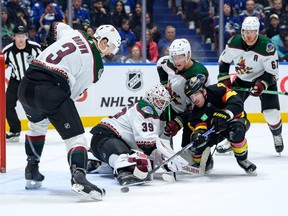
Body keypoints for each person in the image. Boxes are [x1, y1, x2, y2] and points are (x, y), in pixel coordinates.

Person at [17, 22, 121, 200]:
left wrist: (48, 45)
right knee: (76, 136)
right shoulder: (96, 66)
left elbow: (56, 26)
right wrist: (59, 109)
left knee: (37, 125)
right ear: (103, 42)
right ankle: (79, 177)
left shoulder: (76, 33)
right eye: (111, 47)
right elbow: (69, 95)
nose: (110, 53)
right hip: (50, 89)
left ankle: (32, 170)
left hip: (26, 84)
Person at [89, 84, 185, 186]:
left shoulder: (157, 116)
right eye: (158, 101)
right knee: (130, 160)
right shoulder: (146, 109)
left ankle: (99, 163)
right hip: (105, 138)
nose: (160, 105)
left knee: (143, 160)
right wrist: (164, 160)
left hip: (108, 143)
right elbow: (147, 144)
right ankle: (123, 172)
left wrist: (164, 160)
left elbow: (155, 146)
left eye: (163, 102)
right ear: (150, 98)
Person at [216, 16, 284, 154]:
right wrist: (224, 79)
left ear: (257, 32)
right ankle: (232, 138)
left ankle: (277, 134)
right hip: (242, 80)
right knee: (230, 110)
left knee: (271, 114)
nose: (249, 35)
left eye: (252, 32)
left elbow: (273, 74)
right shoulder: (233, 42)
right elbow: (224, 61)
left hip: (263, 80)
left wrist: (261, 85)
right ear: (242, 31)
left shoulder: (267, 46)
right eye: (246, 32)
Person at [182, 77, 257, 175]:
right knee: (196, 145)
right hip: (214, 132)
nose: (194, 99)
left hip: (233, 122)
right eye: (191, 96)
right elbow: (199, 127)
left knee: (236, 131)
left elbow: (236, 100)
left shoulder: (217, 89)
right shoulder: (193, 112)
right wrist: (198, 135)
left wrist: (225, 114)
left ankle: (242, 159)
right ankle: (207, 162)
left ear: (204, 91)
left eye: (196, 94)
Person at [157, 38, 209, 147]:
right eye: (174, 57)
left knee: (190, 150)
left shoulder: (198, 73)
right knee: (162, 135)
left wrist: (178, 121)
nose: (176, 61)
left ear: (188, 54)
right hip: (174, 107)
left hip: (194, 112)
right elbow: (160, 64)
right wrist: (165, 84)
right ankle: (166, 152)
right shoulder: (168, 63)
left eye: (180, 57)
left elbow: (196, 104)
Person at [3, 25, 42, 142]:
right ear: (13, 37)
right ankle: (15, 130)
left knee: (40, 104)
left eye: (23, 36)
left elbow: (44, 62)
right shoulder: (8, 50)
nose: (21, 39)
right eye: (18, 36)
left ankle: (41, 127)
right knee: (7, 104)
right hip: (16, 80)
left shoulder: (35, 48)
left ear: (26, 36)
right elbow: (2, 65)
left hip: (32, 80)